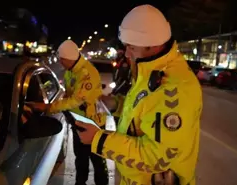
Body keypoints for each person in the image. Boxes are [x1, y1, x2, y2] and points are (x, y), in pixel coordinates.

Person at [74, 4, 202, 185]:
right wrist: (116, 105)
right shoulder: (150, 69)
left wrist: (99, 139)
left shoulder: (174, 89)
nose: (126, 53)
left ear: (152, 45)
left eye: (131, 47)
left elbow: (158, 157)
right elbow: (144, 110)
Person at [26, 40, 109, 185]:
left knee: (98, 161)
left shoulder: (86, 74)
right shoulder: (70, 72)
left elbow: (74, 100)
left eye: (61, 60)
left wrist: (48, 107)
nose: (60, 63)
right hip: (78, 121)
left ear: (67, 59)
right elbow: (67, 95)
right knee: (80, 158)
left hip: (94, 124)